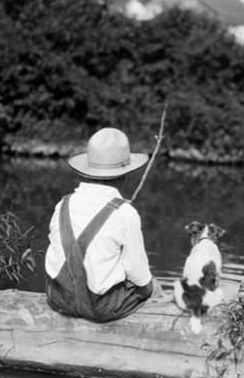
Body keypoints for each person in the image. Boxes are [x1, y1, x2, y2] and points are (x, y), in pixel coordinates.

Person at [45, 127, 162, 323]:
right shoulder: (125, 213)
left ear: (88, 171)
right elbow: (138, 273)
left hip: (57, 298)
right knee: (148, 285)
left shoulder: (62, 204)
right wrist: (151, 287)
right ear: (124, 175)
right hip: (101, 308)